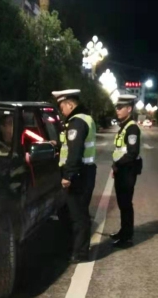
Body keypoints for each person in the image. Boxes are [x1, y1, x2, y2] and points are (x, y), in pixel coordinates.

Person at [52, 89, 97, 263]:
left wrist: (68, 175)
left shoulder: (77, 122)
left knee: (79, 216)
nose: (62, 111)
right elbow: (71, 145)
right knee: (71, 212)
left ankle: (81, 253)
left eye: (62, 107)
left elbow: (75, 151)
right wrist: (58, 144)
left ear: (70, 105)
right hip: (83, 172)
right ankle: (76, 247)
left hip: (79, 174)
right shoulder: (84, 119)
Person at [110, 94, 142, 247]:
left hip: (128, 171)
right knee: (122, 204)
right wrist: (115, 166)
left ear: (129, 109)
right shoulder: (124, 126)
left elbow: (132, 153)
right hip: (122, 170)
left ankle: (127, 237)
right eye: (117, 107)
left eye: (120, 107)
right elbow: (119, 150)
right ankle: (123, 231)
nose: (117, 110)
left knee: (126, 204)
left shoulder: (132, 128)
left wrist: (117, 164)